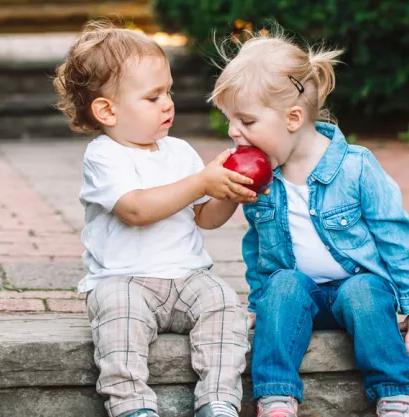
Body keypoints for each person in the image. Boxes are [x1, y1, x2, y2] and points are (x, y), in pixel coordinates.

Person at [208, 28, 409, 417]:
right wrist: (258, 302)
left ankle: (394, 393)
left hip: (356, 288)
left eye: (246, 120)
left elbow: (396, 237)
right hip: (299, 295)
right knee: (281, 286)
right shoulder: (263, 177)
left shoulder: (356, 166)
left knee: (366, 290)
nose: (233, 132)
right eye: (230, 120)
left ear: (293, 118)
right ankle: (277, 395)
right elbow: (258, 247)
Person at [53, 20, 257, 417]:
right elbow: (136, 209)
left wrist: (229, 192)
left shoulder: (178, 151)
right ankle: (132, 405)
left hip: (187, 276)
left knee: (226, 305)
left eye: (169, 92)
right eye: (152, 97)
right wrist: (201, 181)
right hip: (123, 280)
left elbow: (205, 218)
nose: (168, 103)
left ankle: (218, 400)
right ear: (107, 111)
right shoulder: (104, 156)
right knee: (118, 315)